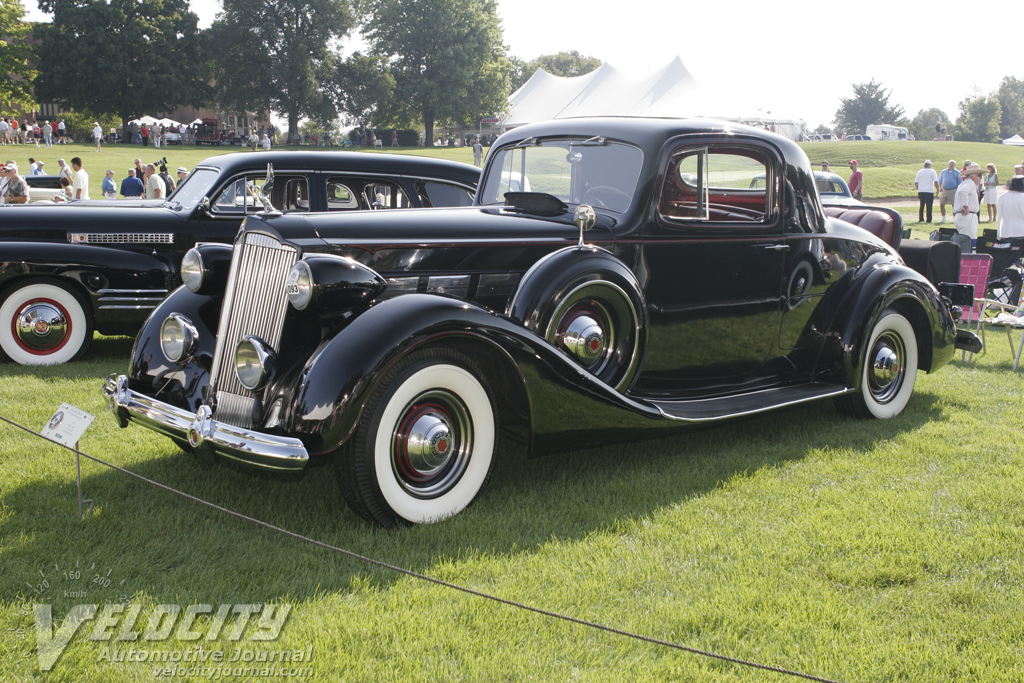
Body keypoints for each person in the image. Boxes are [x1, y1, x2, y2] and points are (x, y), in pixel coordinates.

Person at [953, 163, 984, 249]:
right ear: (972, 176)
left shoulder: (965, 183)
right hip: (968, 216)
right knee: (967, 243)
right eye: (979, 175)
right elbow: (963, 192)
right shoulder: (969, 183)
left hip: (963, 216)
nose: (981, 178)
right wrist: (965, 207)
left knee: (963, 243)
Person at [938, 160, 961, 224]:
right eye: (950, 164)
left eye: (952, 164)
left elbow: (959, 182)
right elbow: (940, 180)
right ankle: (943, 218)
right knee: (942, 203)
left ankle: (954, 218)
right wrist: (940, 187)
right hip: (945, 190)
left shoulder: (957, 172)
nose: (951, 165)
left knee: (954, 204)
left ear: (954, 165)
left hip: (953, 190)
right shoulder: (943, 172)